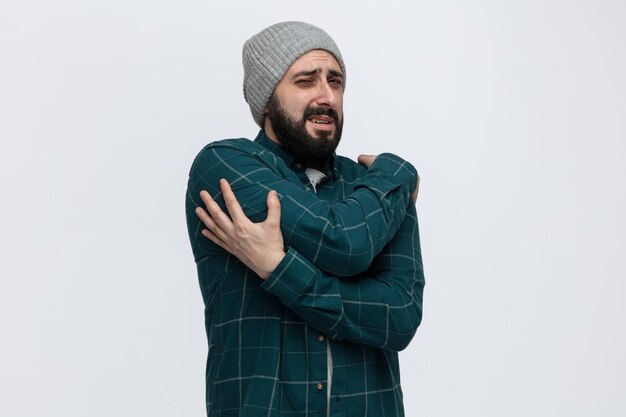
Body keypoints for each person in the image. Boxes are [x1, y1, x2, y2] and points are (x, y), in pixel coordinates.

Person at [185, 21, 425, 417]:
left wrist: (277, 267)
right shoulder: (224, 165)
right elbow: (343, 243)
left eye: (336, 81)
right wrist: (400, 172)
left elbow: (399, 317)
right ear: (266, 100)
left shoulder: (372, 187)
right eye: (305, 81)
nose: (326, 96)